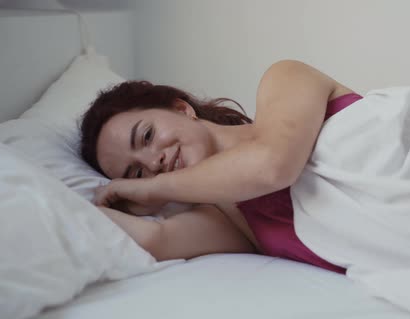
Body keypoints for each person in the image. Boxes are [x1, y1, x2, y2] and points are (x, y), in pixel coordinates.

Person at [80, 60, 354, 273]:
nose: (154, 162)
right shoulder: (231, 222)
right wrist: (90, 205)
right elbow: (153, 238)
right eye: (136, 172)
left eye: (147, 136)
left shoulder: (284, 78)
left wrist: (152, 188)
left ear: (181, 109)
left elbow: (272, 167)